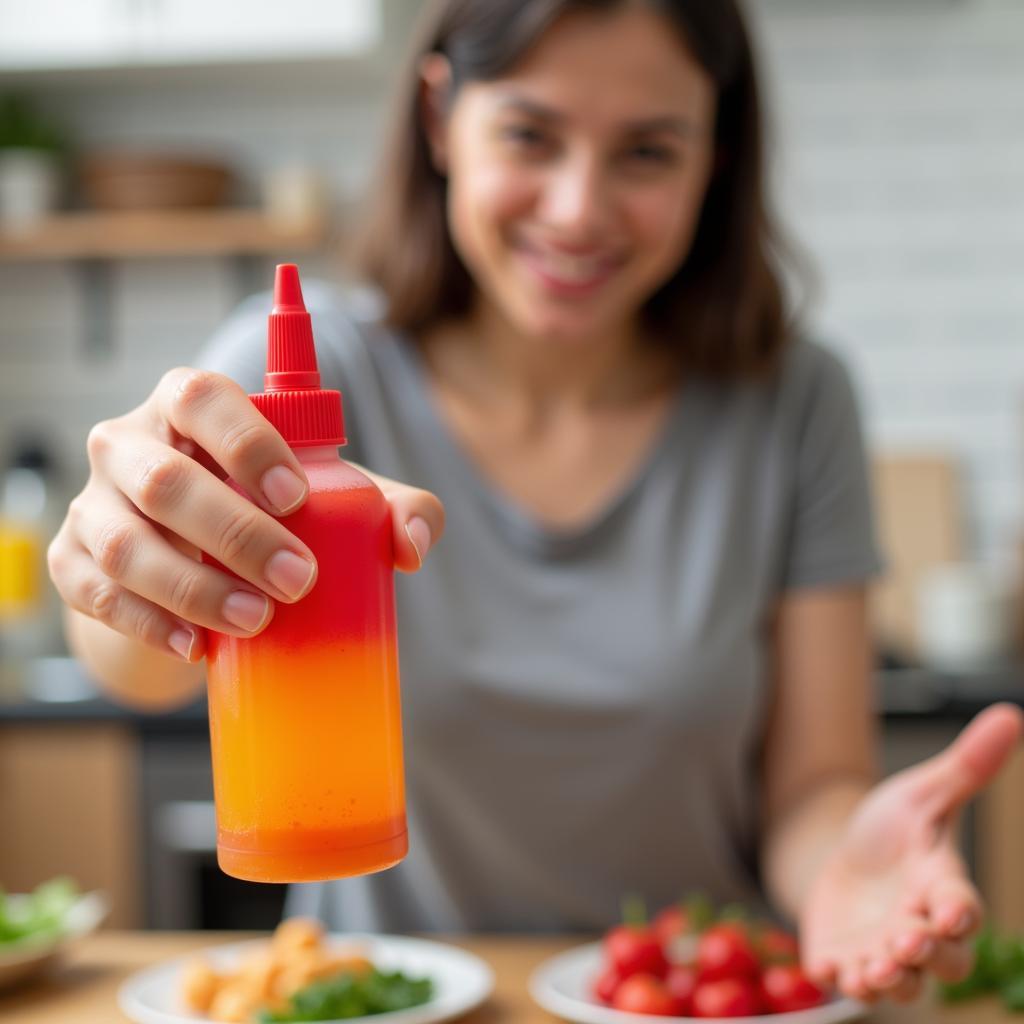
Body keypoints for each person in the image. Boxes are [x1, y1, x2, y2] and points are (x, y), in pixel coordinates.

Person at [48, 0, 1022, 1004]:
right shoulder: (291, 391)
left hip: (686, 998)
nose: (576, 209)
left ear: (716, 157)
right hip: (391, 998)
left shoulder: (793, 400)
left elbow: (815, 787)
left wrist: (850, 871)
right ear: (440, 119)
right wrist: (121, 556)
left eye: (647, 152)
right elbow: (136, 670)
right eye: (528, 135)